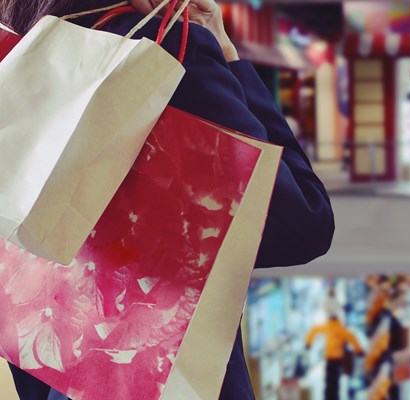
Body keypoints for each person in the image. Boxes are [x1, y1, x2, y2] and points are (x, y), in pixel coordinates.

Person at [1, 1, 335, 399]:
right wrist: (229, 56)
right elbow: (301, 225)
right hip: (150, 374)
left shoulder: (23, 39)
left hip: (52, 361)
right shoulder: (169, 51)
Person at [306, 315, 364, 400]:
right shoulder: (341, 329)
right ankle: (334, 397)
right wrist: (359, 351)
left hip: (329, 358)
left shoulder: (327, 326)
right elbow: (352, 338)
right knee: (335, 381)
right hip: (338, 358)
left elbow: (314, 330)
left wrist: (308, 343)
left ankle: (328, 397)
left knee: (328, 380)